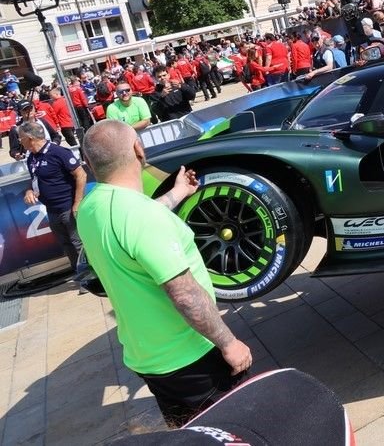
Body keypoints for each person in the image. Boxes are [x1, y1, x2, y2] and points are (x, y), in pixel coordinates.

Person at [77, 120, 252, 427]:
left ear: (90, 163)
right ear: (137, 149)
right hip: (192, 356)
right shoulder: (142, 216)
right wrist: (228, 343)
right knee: (235, 429)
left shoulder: (92, 208)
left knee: (186, 432)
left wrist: (178, 193)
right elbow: (184, 295)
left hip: (148, 357)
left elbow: (134, 227)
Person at [20, 120, 86, 269]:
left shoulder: (58, 152)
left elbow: (81, 175)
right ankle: (80, 274)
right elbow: (35, 179)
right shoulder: (32, 157)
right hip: (52, 210)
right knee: (66, 244)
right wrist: (29, 190)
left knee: (78, 243)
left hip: (68, 207)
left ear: (30, 138)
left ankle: (92, 275)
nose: (20, 141)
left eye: (21, 138)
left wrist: (77, 203)